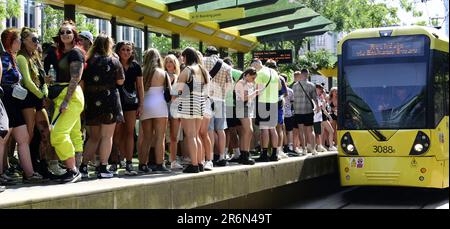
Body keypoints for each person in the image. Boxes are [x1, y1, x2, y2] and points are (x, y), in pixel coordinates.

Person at [17, 27, 65, 179]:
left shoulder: (35, 57)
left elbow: (41, 79)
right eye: (34, 39)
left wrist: (45, 91)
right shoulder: (21, 57)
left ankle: (42, 165)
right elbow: (27, 81)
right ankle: (26, 168)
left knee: (46, 133)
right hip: (28, 99)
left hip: (39, 99)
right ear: (24, 41)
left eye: (37, 39)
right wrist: (41, 95)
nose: (37, 42)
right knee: (29, 135)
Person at [1, 28, 45, 184]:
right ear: (11, 42)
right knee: (3, 139)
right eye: (18, 39)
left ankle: (29, 173)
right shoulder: (4, 59)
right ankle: (1, 174)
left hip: (14, 103)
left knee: (24, 137)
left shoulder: (12, 57)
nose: (21, 42)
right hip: (6, 102)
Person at [45, 21, 86, 183]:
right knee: (74, 133)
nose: (65, 35)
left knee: (58, 134)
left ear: (74, 35)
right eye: (62, 32)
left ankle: (72, 169)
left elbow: (76, 78)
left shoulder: (76, 53)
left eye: (68, 32)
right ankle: (77, 169)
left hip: (71, 97)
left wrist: (66, 102)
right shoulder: (61, 53)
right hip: (63, 96)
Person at [79, 34, 125, 179]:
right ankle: (103, 167)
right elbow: (120, 81)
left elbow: (82, 82)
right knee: (107, 136)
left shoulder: (88, 61)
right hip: (109, 100)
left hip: (92, 100)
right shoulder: (114, 61)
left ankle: (84, 166)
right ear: (108, 45)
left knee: (93, 137)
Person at [174, 47, 209, 173]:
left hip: (188, 103)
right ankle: (200, 162)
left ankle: (194, 165)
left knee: (190, 136)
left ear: (186, 57)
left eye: (183, 57)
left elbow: (178, 89)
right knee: (196, 135)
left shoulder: (187, 70)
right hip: (200, 104)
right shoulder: (203, 70)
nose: (181, 59)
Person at [112, 41, 143, 175]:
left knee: (130, 133)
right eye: (123, 49)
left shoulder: (136, 66)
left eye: (129, 50)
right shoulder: (113, 63)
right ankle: (114, 161)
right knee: (115, 134)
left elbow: (140, 87)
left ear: (132, 52)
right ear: (118, 51)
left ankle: (129, 163)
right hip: (115, 102)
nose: (126, 52)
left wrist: (141, 104)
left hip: (131, 103)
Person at [140, 48, 171, 173]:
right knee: (160, 137)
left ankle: (142, 164)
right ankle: (159, 164)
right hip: (160, 105)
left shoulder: (142, 72)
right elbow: (169, 91)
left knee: (146, 137)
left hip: (145, 104)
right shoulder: (163, 73)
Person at [203, 46, 232, 167]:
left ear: (207, 53)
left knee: (209, 129)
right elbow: (230, 85)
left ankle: (210, 157)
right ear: (217, 54)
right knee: (220, 130)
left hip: (207, 98)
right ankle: (221, 156)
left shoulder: (203, 61)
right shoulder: (226, 66)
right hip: (220, 99)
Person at [251, 58, 281, 162]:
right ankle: (274, 154)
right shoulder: (274, 72)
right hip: (274, 101)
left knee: (264, 129)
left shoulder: (260, 73)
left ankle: (264, 154)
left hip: (263, 102)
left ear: (256, 65)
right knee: (272, 129)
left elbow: (258, 89)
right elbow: (279, 87)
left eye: (253, 67)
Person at [233, 67, 259, 165]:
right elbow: (243, 98)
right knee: (249, 130)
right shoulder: (240, 83)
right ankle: (245, 154)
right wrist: (255, 93)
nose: (254, 80)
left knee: (245, 132)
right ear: (247, 75)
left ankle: (244, 154)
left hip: (246, 108)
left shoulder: (247, 83)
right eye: (253, 78)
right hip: (242, 107)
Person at [292, 69, 319, 155]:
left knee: (301, 131)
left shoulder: (295, 86)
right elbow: (315, 98)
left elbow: (293, 99)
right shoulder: (311, 85)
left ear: (301, 75)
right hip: (308, 110)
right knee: (310, 130)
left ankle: (303, 149)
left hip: (298, 111)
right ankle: (313, 149)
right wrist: (317, 106)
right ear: (307, 75)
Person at [164, 54, 183, 170]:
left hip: (176, 108)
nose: (169, 64)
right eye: (167, 61)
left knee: (174, 136)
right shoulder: (162, 76)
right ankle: (161, 160)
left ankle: (173, 160)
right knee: (163, 136)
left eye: (171, 61)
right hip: (164, 107)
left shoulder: (180, 77)